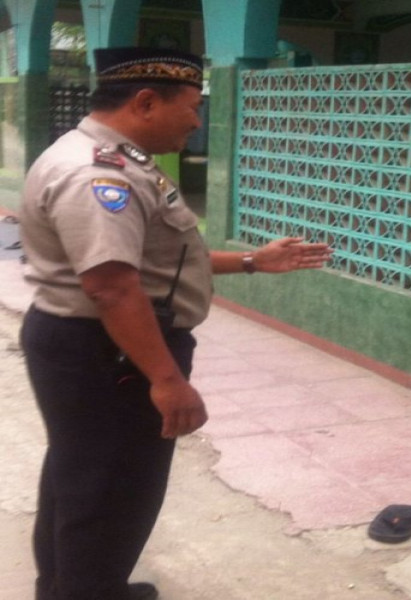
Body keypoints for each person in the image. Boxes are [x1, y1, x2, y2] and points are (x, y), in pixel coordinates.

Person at [19, 47, 331, 600]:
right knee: (112, 490)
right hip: (111, 351)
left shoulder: (116, 159)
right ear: (145, 102)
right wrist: (166, 379)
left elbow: (153, 262)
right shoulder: (98, 176)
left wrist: (254, 260)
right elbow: (113, 287)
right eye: (191, 106)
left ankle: (70, 588)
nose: (195, 120)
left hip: (96, 345)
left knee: (81, 476)